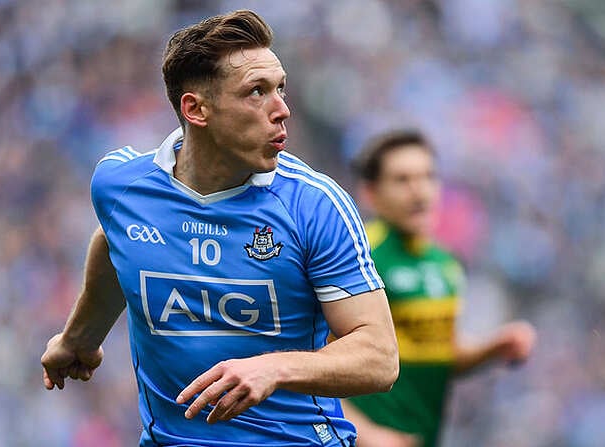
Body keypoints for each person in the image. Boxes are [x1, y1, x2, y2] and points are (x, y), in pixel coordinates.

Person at [40, 10, 399, 447]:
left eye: (280, 88)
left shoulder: (315, 205)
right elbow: (116, 243)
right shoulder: (122, 186)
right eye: (256, 92)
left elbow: (379, 358)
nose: (282, 109)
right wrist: (78, 339)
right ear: (196, 109)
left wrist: (274, 367)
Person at [342, 130, 537, 447]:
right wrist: (367, 435)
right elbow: (314, 360)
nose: (419, 192)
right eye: (402, 180)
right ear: (370, 192)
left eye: (428, 177)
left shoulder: (445, 264)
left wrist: (496, 347)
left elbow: (440, 353)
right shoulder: (358, 256)